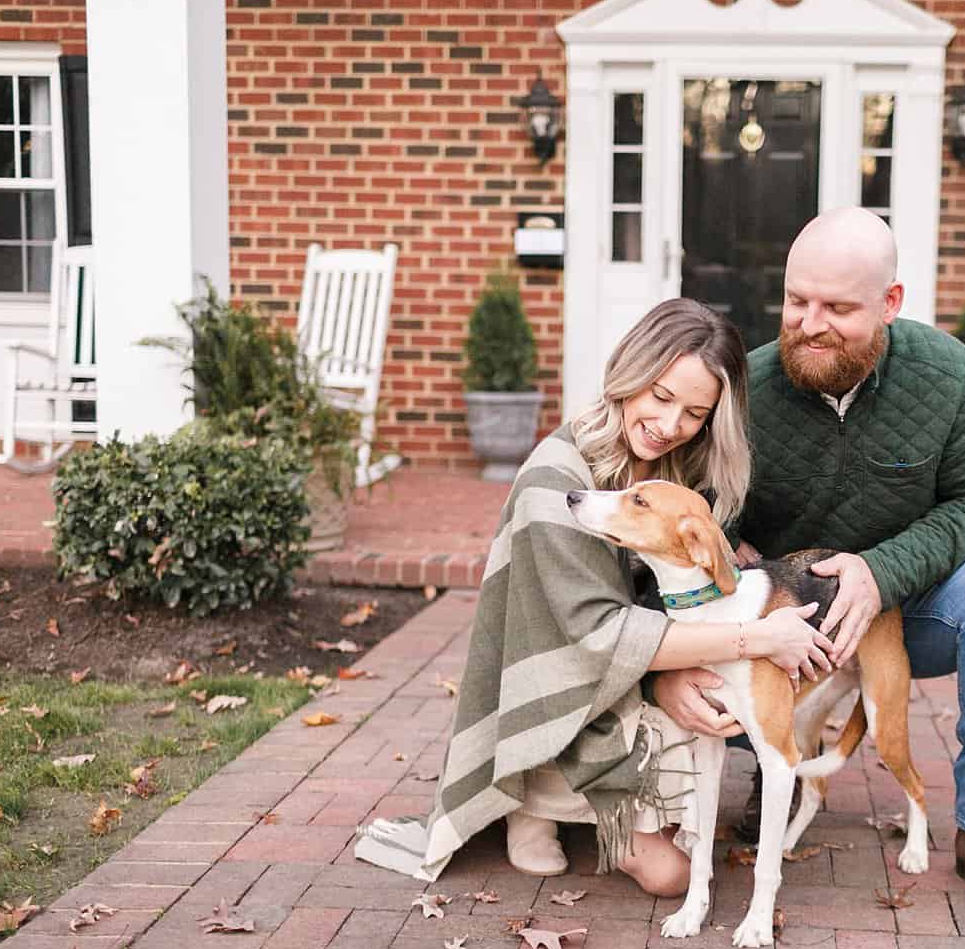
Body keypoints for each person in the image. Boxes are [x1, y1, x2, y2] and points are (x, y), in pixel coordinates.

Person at [652, 208, 965, 920]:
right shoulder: (746, 386)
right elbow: (701, 520)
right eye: (797, 301)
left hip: (909, 613)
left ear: (890, 304)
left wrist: (882, 571)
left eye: (838, 308)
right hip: (779, 616)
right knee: (738, 622)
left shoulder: (947, 373)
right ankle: (770, 768)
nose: (810, 324)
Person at [355, 297, 832, 896]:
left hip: (631, 670)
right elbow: (589, 635)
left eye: (693, 412)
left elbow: (687, 597)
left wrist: (672, 674)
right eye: (660, 397)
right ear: (631, 372)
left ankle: (596, 796)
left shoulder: (679, 470)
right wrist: (752, 637)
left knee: (705, 744)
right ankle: (530, 790)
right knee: (669, 877)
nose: (669, 424)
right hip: (562, 682)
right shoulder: (555, 479)